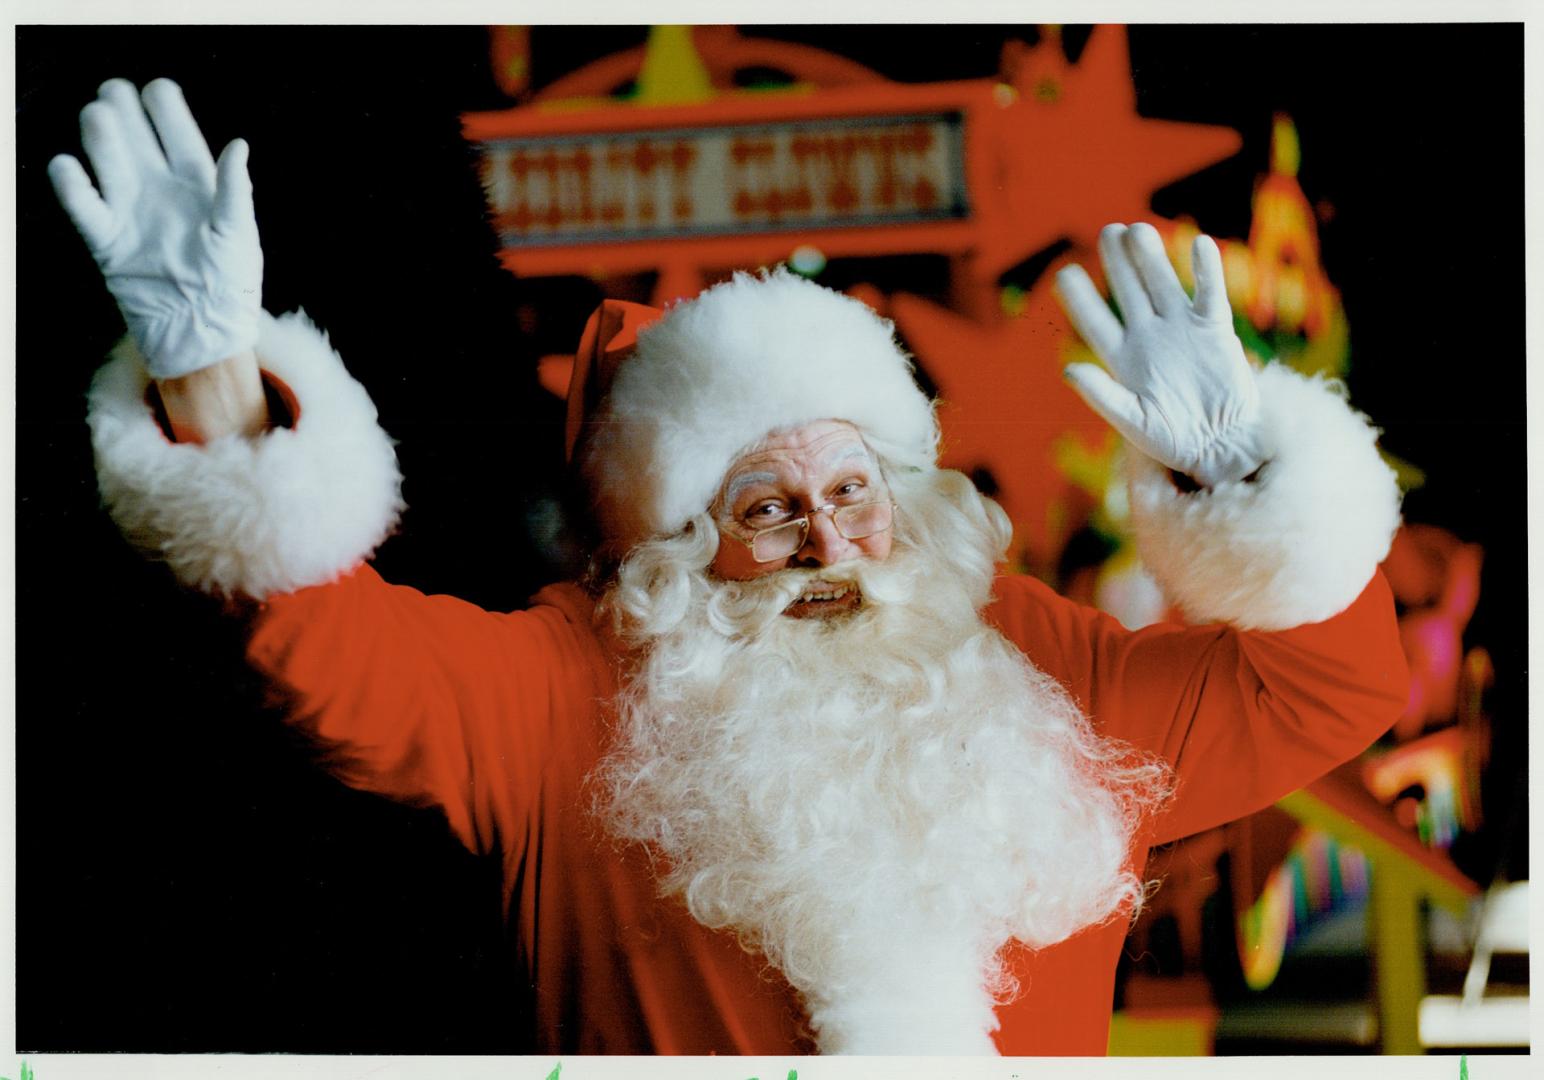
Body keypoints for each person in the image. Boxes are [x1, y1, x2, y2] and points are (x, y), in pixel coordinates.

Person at [53, 79, 1409, 1056]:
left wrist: (1243, 476)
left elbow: (1321, 693)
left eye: (853, 490)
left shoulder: (1041, 660)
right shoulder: (562, 690)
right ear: (681, 538)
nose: (827, 540)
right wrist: (209, 374)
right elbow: (331, 656)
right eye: (766, 505)